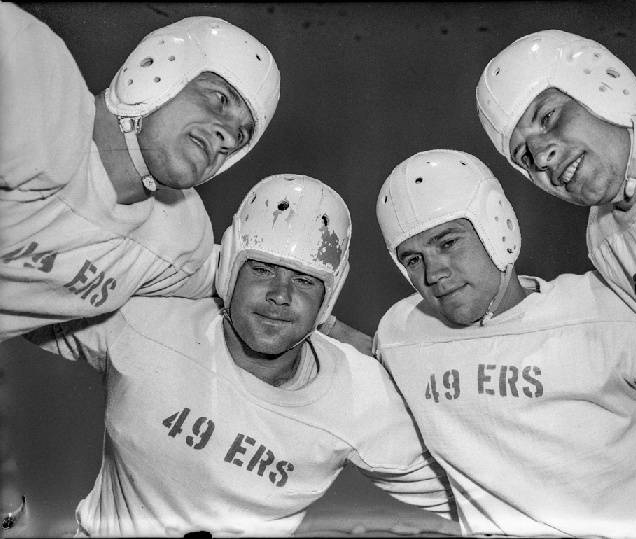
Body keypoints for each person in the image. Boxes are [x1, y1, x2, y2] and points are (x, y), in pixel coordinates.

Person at [25, 174, 458, 537]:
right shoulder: (147, 319)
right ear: (230, 266)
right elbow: (20, 294)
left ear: (329, 298)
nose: (280, 296)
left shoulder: (360, 393)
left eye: (305, 281)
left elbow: (483, 494)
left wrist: (414, 375)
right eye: (263, 269)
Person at [374, 149, 636, 538]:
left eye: (447, 243)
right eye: (412, 259)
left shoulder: (605, 310)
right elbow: (355, 367)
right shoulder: (401, 334)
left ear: (496, 224)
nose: (434, 272)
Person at [0, 3, 280, 342]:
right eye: (220, 99)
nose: (227, 136)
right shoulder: (35, 82)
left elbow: (247, 281)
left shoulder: (172, 241)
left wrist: (338, 329)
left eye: (241, 135)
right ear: (156, 65)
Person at [475, 29, 636, 352]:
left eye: (548, 117)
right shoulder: (605, 239)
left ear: (606, 83)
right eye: (524, 156)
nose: (540, 157)